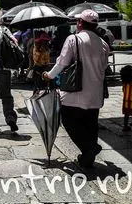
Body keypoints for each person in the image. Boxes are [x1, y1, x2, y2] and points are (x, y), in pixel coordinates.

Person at [43, 9, 109, 168]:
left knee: (68, 120)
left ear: (80, 23)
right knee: (91, 124)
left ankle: (90, 148)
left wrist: (49, 76)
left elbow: (62, 63)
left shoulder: (74, 39)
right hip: (96, 92)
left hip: (76, 91)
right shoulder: (104, 44)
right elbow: (105, 66)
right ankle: (88, 157)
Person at [119, 65, 132, 134]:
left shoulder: (124, 83)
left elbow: (123, 90)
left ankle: (125, 126)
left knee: (126, 114)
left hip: (125, 102)